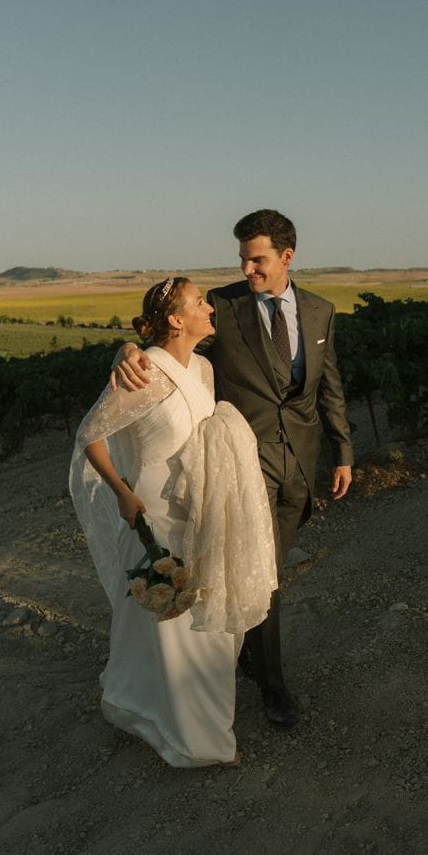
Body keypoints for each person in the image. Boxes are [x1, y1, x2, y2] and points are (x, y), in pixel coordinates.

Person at [111, 210, 354, 731]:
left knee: (268, 574)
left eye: (258, 259)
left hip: (300, 466)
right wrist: (125, 349)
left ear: (287, 257)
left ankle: (245, 654)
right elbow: (164, 337)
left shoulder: (320, 310)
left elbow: (329, 385)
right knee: (263, 578)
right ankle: (273, 686)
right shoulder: (222, 305)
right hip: (242, 468)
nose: (247, 269)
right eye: (243, 258)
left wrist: (344, 452)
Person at [70, 277, 277, 767]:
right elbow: (91, 434)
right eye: (200, 302)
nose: (210, 308)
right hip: (154, 515)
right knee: (170, 626)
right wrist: (121, 493)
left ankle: (136, 700)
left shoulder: (203, 369)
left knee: (195, 619)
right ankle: (196, 740)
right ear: (177, 320)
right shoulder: (145, 374)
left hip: (203, 511)